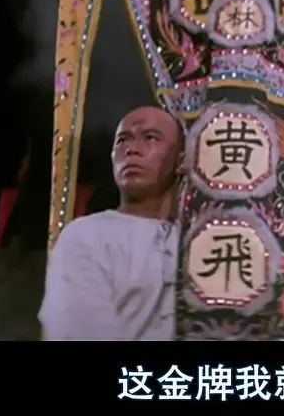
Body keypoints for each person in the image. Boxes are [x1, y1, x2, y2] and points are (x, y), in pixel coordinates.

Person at [39, 106, 185, 340]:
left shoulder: (195, 238)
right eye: (122, 140)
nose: (131, 149)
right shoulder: (87, 235)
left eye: (150, 138)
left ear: (180, 161)